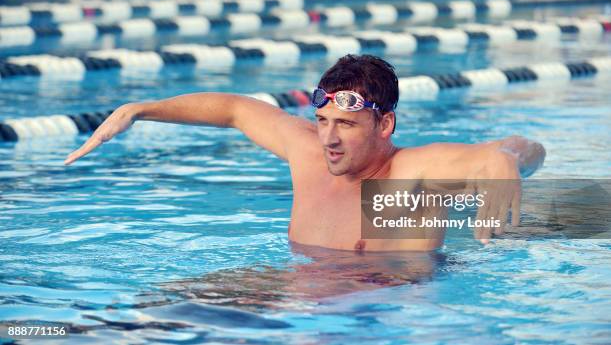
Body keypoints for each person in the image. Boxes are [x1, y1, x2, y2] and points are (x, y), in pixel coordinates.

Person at [64, 54, 546, 251]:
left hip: (381, 314)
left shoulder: (412, 174)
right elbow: (233, 109)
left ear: (385, 124)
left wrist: (504, 159)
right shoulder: (309, 154)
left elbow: (521, 149)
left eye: (347, 125)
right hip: (298, 297)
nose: (329, 138)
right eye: (322, 122)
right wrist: (142, 108)